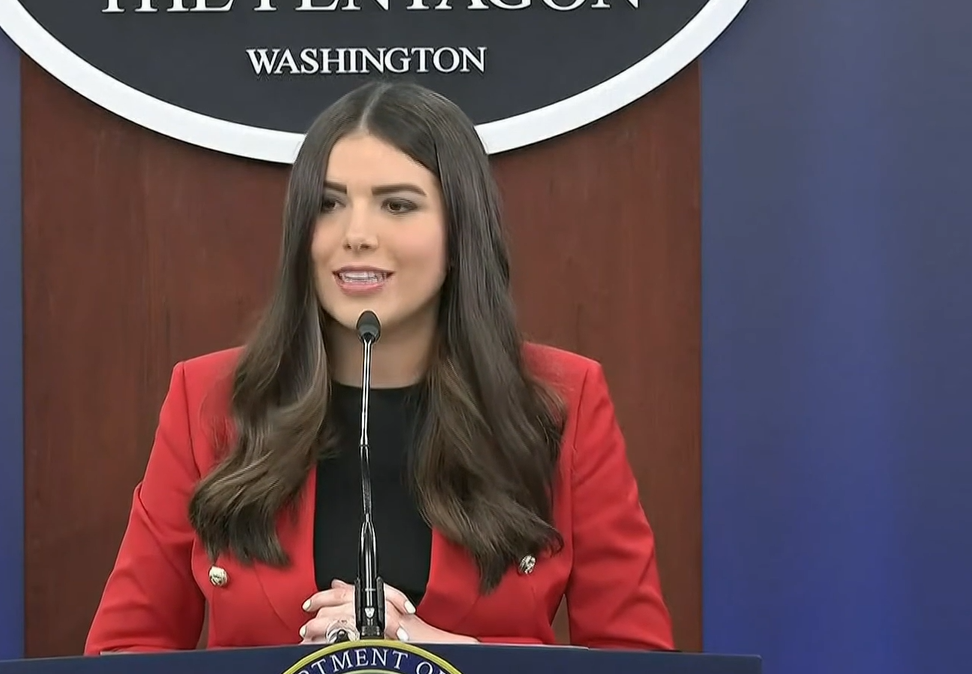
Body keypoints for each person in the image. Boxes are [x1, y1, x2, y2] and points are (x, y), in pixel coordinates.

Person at [83, 81, 674, 652]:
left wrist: (440, 655)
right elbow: (127, 649)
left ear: (460, 232)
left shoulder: (561, 401)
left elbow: (636, 661)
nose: (357, 234)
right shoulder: (209, 400)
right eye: (329, 204)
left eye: (397, 204)